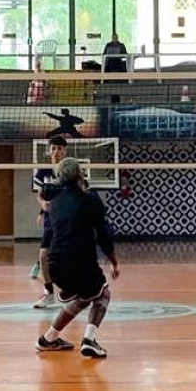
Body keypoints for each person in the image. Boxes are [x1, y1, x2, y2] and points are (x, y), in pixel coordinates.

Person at [36, 158, 120, 358]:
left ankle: (48, 339)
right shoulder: (90, 201)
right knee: (103, 295)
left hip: (55, 267)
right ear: (80, 176)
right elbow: (104, 235)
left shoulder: (54, 203)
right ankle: (89, 340)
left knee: (84, 298)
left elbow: (43, 192)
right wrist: (114, 262)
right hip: (80, 264)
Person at [31, 136, 69, 308]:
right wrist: (42, 206)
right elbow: (40, 194)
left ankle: (73, 290)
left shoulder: (71, 170)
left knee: (69, 257)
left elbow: (82, 191)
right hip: (51, 220)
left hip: (68, 220)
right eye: (54, 148)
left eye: (60, 148)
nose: (57, 151)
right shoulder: (43, 171)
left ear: (65, 151)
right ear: (50, 150)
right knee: (43, 256)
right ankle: (48, 293)